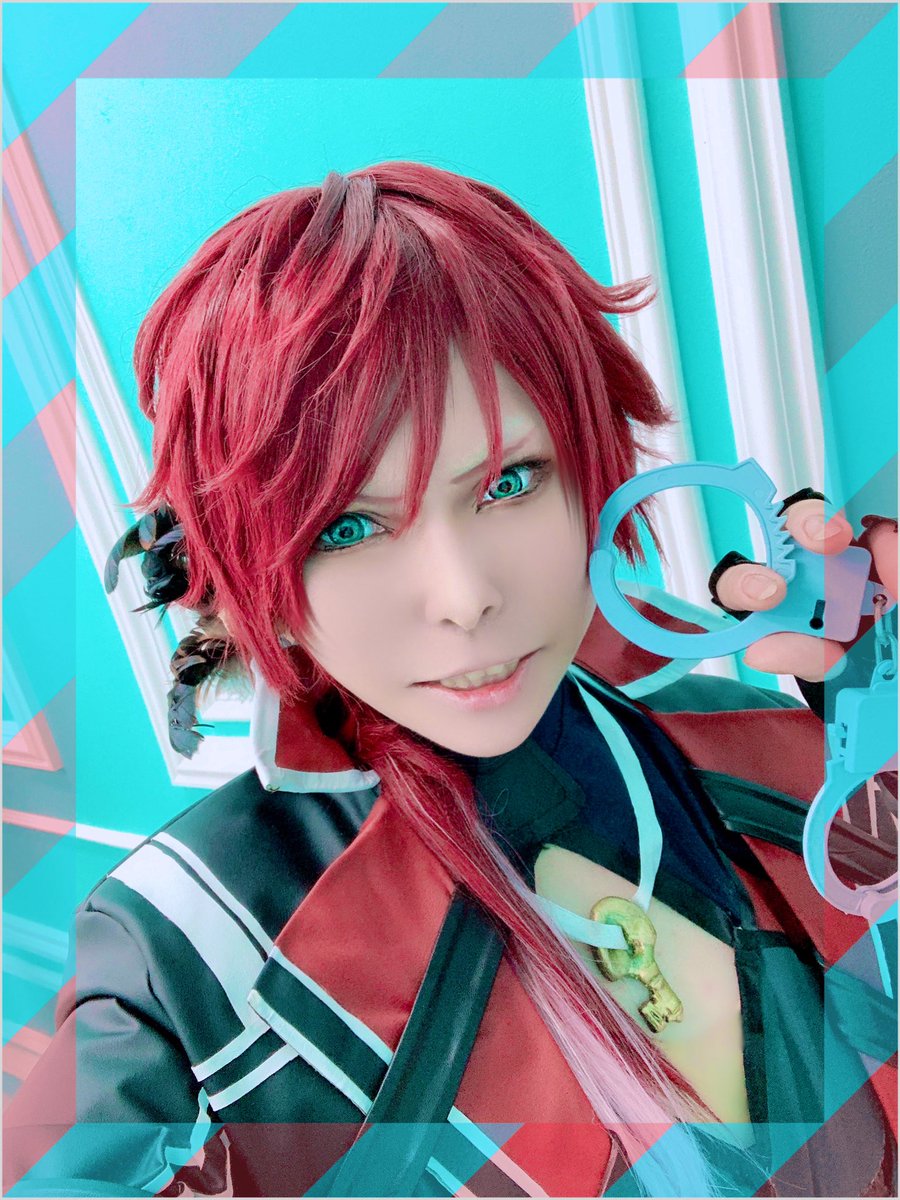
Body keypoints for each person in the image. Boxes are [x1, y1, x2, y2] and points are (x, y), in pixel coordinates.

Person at [5, 162, 897, 1198]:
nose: (466, 597)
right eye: (348, 527)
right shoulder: (185, 944)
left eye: (510, 481)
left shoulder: (775, 743)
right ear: (247, 575)